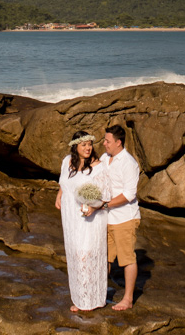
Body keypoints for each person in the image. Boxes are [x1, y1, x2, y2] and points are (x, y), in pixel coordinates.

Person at [55, 130, 109, 311]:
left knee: (86, 253)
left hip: (90, 217)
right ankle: (79, 299)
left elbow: (104, 193)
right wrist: (59, 195)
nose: (88, 148)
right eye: (83, 145)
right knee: (74, 254)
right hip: (70, 216)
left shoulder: (98, 166)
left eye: (90, 144)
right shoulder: (67, 162)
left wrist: (93, 206)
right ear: (75, 147)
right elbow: (63, 182)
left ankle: (93, 299)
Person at [100, 124, 141, 311]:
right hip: (106, 218)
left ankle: (128, 299)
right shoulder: (105, 158)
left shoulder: (129, 163)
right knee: (105, 258)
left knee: (126, 258)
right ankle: (99, 293)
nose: (104, 143)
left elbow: (129, 194)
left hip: (125, 218)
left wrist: (105, 204)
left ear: (118, 142)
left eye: (107, 141)